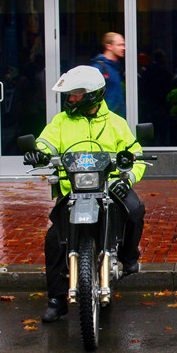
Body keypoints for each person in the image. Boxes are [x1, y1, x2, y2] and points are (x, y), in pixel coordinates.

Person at [24, 66, 147, 323]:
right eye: (69, 94)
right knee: (53, 240)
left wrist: (129, 178)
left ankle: (128, 257)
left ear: (92, 94)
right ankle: (57, 300)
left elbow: (137, 155)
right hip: (73, 191)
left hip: (110, 187)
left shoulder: (116, 123)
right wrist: (38, 152)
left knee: (135, 209)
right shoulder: (61, 121)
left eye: (76, 94)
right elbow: (46, 142)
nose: (70, 99)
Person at [90, 32, 126, 117]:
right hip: (106, 119)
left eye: (123, 45)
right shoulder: (99, 68)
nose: (123, 48)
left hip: (118, 118)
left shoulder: (116, 68)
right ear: (108, 46)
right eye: (119, 45)